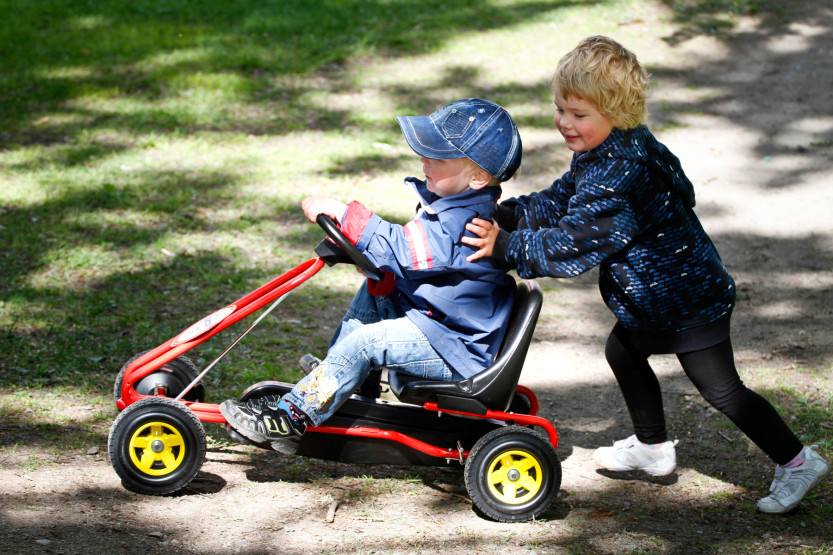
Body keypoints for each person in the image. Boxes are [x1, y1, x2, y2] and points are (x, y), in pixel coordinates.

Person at [463, 36, 830, 514]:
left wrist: (507, 245)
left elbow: (574, 243)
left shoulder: (620, 171)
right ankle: (653, 447)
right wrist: (510, 213)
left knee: (722, 389)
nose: (564, 123)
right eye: (560, 109)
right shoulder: (608, 148)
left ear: (615, 111)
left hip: (687, 301)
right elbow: (562, 199)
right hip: (651, 301)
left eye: (578, 114)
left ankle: (798, 461)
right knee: (623, 350)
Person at [220, 98, 522, 450]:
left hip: (455, 348)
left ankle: (294, 416)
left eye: (438, 157)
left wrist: (344, 214)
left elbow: (402, 249)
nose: (424, 159)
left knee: (367, 341)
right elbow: (408, 263)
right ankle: (339, 374)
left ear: (479, 176)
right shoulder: (452, 205)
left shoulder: (463, 223)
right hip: (440, 325)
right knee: (376, 289)